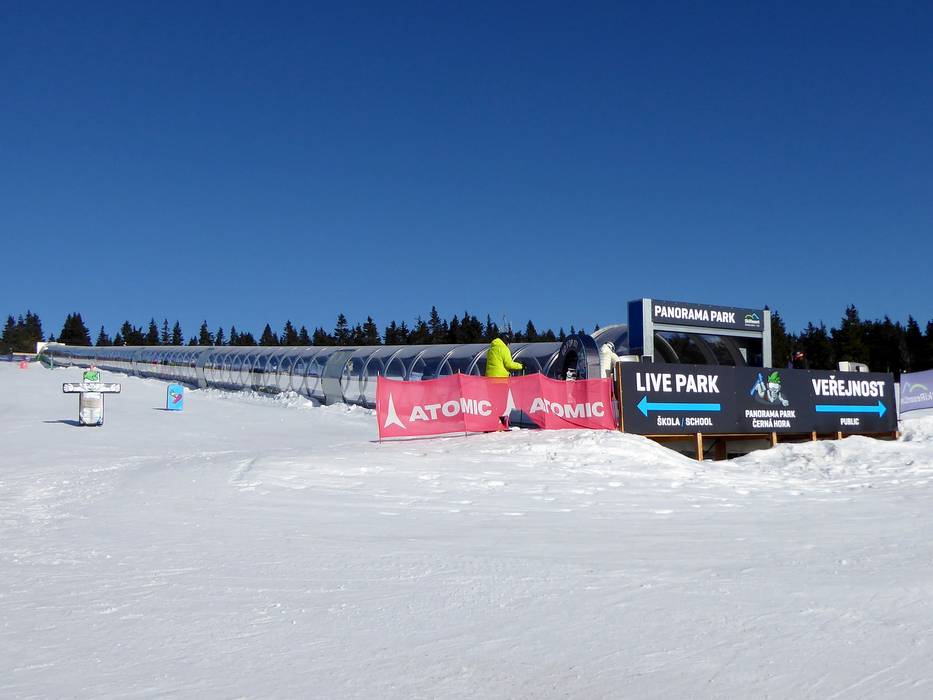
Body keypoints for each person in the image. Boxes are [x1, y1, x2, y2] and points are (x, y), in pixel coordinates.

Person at [485, 338, 523, 430]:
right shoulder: (504, 349)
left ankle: (491, 424)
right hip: (501, 380)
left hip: (489, 380)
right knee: (501, 404)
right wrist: (521, 366)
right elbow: (508, 364)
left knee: (493, 403)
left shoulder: (490, 350)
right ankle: (501, 423)